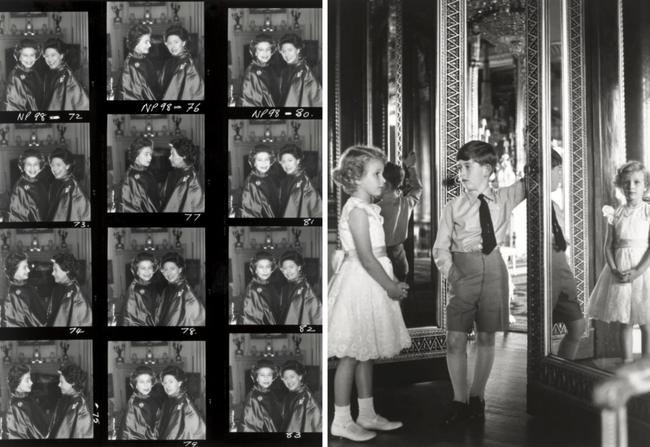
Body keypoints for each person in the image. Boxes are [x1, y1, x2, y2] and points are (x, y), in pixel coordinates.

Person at [433, 140, 526, 426]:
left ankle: (477, 397)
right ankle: (458, 400)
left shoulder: (506, 198)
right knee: (455, 338)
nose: (460, 173)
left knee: (487, 335)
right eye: (459, 167)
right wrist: (453, 274)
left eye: (466, 167)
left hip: (495, 271)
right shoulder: (454, 206)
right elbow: (440, 248)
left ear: (486, 170)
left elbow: (534, 175)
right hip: (463, 271)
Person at [328, 146, 411, 441]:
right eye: (376, 174)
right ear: (356, 178)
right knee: (351, 354)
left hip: (372, 281)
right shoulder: (357, 211)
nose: (382, 180)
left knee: (366, 353)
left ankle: (366, 414)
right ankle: (340, 419)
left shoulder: (370, 208)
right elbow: (365, 257)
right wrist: (390, 286)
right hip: (361, 283)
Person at [588, 161, 650, 362]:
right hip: (620, 270)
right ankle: (627, 362)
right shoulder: (616, 213)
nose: (631, 186)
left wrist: (638, 271)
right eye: (626, 183)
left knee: (646, 321)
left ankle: (646, 365)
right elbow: (608, 246)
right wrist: (614, 269)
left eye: (636, 182)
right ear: (620, 186)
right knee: (625, 320)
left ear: (645, 186)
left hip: (643, 270)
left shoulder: (648, 212)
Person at [549, 150, 586, 360]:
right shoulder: (537, 207)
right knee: (547, 328)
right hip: (550, 275)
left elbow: (561, 240)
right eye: (558, 170)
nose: (561, 176)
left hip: (562, 273)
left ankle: (562, 368)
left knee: (577, 326)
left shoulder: (554, 206)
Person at [377, 151, 423, 282]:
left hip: (382, 264)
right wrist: (411, 167)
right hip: (401, 262)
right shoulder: (405, 202)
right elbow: (418, 188)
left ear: (385, 185)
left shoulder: (375, 208)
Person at [156, 365, 206, 440]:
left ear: (179, 383)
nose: (167, 386)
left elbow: (178, 434)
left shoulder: (185, 403)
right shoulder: (168, 402)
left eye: (171, 382)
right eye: (165, 383)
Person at [156, 252, 205, 326]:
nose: (168, 273)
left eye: (172, 269)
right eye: (165, 270)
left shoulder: (186, 292)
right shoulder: (167, 290)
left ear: (180, 269)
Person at [47, 364, 93, 439]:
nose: (59, 385)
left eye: (61, 382)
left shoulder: (81, 406)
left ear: (72, 383)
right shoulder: (66, 400)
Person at [42, 38, 89, 110]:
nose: (49, 60)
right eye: (47, 56)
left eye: (53, 55)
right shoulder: (51, 73)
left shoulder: (66, 76)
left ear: (61, 55)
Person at [3, 365, 48, 439]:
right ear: (17, 383)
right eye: (27, 380)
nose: (31, 383)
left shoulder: (29, 399)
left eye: (30, 379)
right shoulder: (14, 408)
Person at [47, 252, 92, 327]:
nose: (52, 273)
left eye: (55, 270)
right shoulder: (57, 289)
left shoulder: (76, 296)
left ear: (67, 270)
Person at [160, 25, 204, 100]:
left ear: (183, 43)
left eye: (176, 42)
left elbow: (194, 94)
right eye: (169, 43)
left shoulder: (189, 64)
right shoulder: (168, 63)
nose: (172, 46)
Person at [2, 252, 46, 327]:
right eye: (24, 267)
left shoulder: (28, 287)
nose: (28, 270)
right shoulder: (13, 295)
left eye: (27, 267)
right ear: (14, 270)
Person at [161, 138, 205, 213]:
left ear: (184, 156)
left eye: (173, 154)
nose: (169, 157)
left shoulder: (192, 180)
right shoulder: (172, 174)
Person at [278, 143, 322, 218]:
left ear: (298, 161)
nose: (287, 165)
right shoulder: (287, 180)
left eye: (290, 160)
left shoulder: (304, 183)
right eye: (283, 161)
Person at [278, 33, 322, 107]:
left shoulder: (304, 72)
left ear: (298, 50)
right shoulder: (286, 70)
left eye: (290, 50)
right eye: (283, 51)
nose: (286, 55)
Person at [47, 147, 91, 221]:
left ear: (67, 166)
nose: (54, 169)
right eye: (52, 165)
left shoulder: (70, 187)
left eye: (58, 165)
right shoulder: (61, 183)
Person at [279, 250, 321, 325]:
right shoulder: (285, 288)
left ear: (299, 267)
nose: (288, 271)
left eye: (291, 267)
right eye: (284, 268)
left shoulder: (305, 290)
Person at [119, 24, 159, 100]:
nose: (150, 45)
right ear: (136, 43)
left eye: (149, 41)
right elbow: (129, 96)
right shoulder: (130, 66)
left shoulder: (144, 59)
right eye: (146, 42)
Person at [119, 366, 160, 440]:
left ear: (152, 383)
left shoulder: (149, 398)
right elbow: (137, 434)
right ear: (136, 385)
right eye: (141, 382)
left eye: (148, 381)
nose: (146, 385)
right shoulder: (135, 404)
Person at [120, 137, 160, 213]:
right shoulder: (130, 178)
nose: (150, 158)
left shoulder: (148, 173)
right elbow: (129, 208)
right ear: (136, 155)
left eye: (150, 154)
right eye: (146, 154)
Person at [280, 360, 322, 433]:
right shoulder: (290, 396)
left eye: (292, 377)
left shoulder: (304, 397)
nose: (289, 381)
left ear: (300, 377)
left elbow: (296, 426)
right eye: (286, 378)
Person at [9, 148, 49, 222]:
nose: (32, 168)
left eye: (35, 164)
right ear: (23, 166)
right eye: (28, 164)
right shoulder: (20, 188)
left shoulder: (40, 183)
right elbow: (17, 218)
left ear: (40, 166)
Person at [242, 359, 283, 432]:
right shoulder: (252, 398)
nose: (266, 378)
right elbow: (249, 427)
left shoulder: (271, 393)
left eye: (269, 375)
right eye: (262, 375)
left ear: (273, 378)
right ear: (256, 378)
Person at [119, 252, 158, 326]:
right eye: (143, 268)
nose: (147, 271)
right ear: (137, 271)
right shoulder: (136, 290)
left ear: (153, 269)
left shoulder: (148, 284)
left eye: (149, 267)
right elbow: (133, 320)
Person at [240, 34, 280, 107]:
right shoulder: (252, 73)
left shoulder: (269, 68)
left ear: (271, 52)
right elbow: (248, 103)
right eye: (261, 49)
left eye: (268, 49)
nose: (265, 53)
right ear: (255, 52)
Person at [242, 251, 280, 325]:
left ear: (272, 269)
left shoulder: (270, 285)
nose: (265, 270)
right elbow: (250, 320)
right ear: (255, 270)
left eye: (268, 267)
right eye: (261, 267)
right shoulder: (252, 290)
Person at [240, 144, 279, 218]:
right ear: (254, 162)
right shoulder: (251, 183)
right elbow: (249, 212)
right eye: (260, 160)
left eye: (266, 159)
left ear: (270, 161)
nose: (264, 163)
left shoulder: (269, 177)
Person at [5, 39, 44, 110]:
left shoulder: (34, 72)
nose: (29, 59)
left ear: (36, 57)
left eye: (32, 55)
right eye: (25, 55)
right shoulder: (15, 77)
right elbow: (12, 108)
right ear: (19, 57)